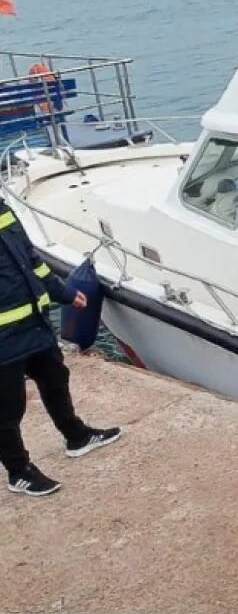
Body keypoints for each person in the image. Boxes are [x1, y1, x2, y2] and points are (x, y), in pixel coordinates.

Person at [0, 197, 120, 497]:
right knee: (7, 407)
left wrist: (63, 293)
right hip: (3, 338)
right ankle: (19, 471)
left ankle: (76, 435)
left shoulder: (3, 210)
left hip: (33, 325)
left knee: (55, 379)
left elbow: (32, 262)